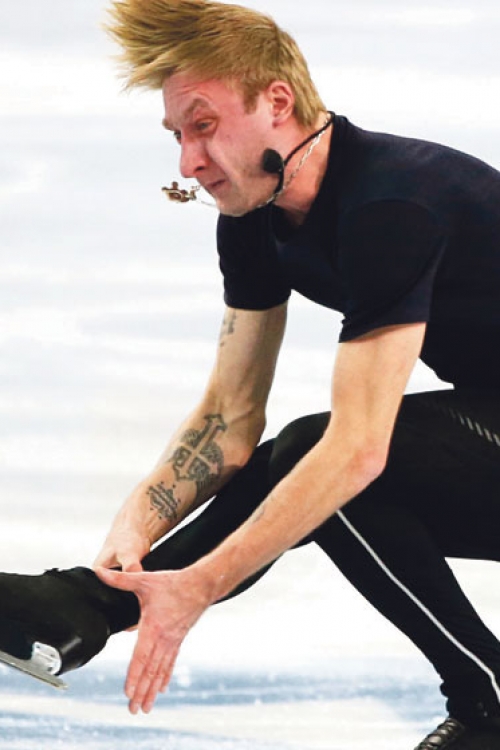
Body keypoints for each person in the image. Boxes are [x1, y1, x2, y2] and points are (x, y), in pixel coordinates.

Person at [2, 1, 500, 747]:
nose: (188, 162)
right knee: (312, 471)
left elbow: (357, 450)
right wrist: (130, 540)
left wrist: (195, 589)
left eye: (204, 126)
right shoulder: (256, 215)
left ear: (277, 102)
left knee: (323, 461)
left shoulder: (393, 202)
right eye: (177, 135)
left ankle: (487, 699)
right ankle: (89, 603)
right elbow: (229, 418)